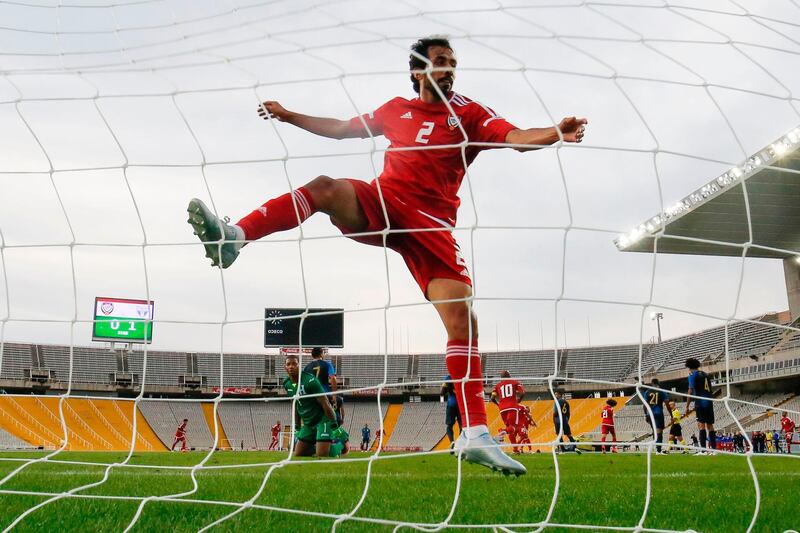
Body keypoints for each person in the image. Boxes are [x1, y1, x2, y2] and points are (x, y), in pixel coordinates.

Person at [186, 36, 587, 476]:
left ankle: (475, 436)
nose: (449, 68)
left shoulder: (469, 112)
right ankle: (235, 237)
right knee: (323, 186)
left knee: (463, 322)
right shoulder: (395, 109)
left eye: (453, 62)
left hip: (432, 225)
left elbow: (515, 137)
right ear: (417, 71)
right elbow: (341, 128)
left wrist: (555, 133)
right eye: (439, 61)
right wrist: (288, 115)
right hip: (383, 203)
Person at [282, 353, 345, 457]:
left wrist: (334, 425)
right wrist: (297, 427)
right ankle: (323, 447)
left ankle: (337, 447)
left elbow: (326, 404)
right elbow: (295, 405)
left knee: (322, 454)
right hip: (308, 423)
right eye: (288, 364)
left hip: (322, 419)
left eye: (294, 364)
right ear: (285, 367)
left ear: (299, 365)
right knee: (299, 453)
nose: (291, 366)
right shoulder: (287, 384)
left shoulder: (310, 381)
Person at [685, 358, 716, 454]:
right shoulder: (706, 375)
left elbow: (690, 390)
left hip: (700, 402)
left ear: (689, 367)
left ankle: (703, 450)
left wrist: (687, 405)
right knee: (710, 426)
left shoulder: (692, 375)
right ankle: (713, 450)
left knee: (701, 425)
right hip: (709, 401)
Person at [491, 370, 524, 454]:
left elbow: (492, 398)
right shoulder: (515, 382)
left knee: (511, 430)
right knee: (513, 427)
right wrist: (519, 400)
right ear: (509, 376)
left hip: (502, 408)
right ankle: (502, 431)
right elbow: (522, 392)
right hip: (512, 406)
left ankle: (515, 450)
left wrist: (498, 404)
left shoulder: (498, 385)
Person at [643, 379, 669, 454]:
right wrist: (670, 414)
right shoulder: (662, 391)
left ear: (652, 383)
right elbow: (667, 403)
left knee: (654, 431)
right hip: (658, 413)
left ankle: (656, 448)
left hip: (650, 414)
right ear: (658, 383)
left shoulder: (647, 392)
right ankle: (658, 450)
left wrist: (645, 415)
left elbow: (644, 405)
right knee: (659, 431)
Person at [441, 374, 462, 444]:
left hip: (451, 404)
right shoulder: (462, 376)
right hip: (461, 404)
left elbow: (442, 393)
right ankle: (460, 443)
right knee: (462, 426)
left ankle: (452, 442)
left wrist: (449, 389)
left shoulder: (448, 377)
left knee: (449, 426)